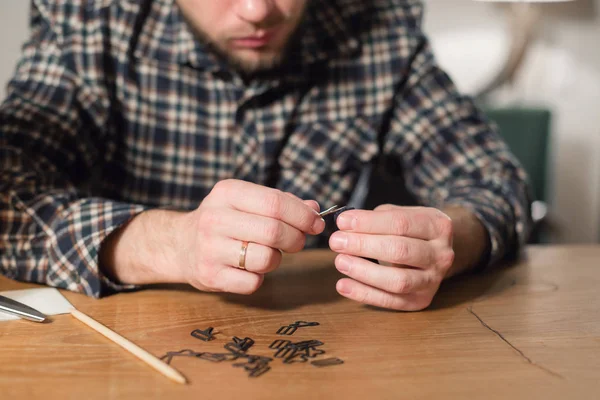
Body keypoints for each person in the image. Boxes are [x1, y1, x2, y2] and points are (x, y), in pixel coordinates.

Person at [0, 0, 531, 311]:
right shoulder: (88, 21)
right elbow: (7, 204)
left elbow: (496, 182)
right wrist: (168, 243)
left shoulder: (377, 26)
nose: (258, 11)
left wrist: (450, 241)